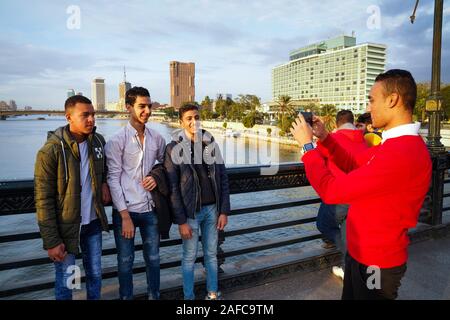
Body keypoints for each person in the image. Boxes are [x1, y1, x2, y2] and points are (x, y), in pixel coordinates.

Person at [291, 69, 432, 300]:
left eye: (372, 100)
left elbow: (332, 190)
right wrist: (325, 138)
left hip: (377, 265)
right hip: (360, 255)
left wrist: (308, 148)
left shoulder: (402, 153)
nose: (368, 108)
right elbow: (353, 163)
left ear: (393, 99)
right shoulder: (395, 146)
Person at [34, 95, 110, 300]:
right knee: (68, 280)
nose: (91, 119)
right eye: (85, 115)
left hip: (92, 223)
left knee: (95, 274)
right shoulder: (50, 151)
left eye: (93, 114)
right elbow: (43, 200)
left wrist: (104, 183)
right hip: (66, 228)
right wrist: (51, 240)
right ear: (69, 117)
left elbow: (106, 168)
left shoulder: (98, 142)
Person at [105, 87, 166, 300]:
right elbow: (113, 178)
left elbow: (165, 164)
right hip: (126, 211)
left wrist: (157, 177)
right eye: (142, 106)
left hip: (150, 209)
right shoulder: (116, 141)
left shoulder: (157, 138)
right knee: (125, 261)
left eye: (149, 106)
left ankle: (154, 296)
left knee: (154, 258)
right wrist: (124, 216)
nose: (147, 110)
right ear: (128, 107)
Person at [164, 103, 230, 300]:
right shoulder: (173, 148)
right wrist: (181, 221)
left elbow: (223, 177)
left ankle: (212, 293)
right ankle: (189, 298)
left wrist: (224, 211)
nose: (194, 122)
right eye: (189, 118)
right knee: (189, 257)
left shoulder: (211, 144)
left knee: (211, 255)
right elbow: (173, 188)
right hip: (190, 212)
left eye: (197, 117)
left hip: (212, 210)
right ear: (181, 122)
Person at [315, 110, 368, 280]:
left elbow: (315, 157)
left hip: (339, 195)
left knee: (323, 224)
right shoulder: (363, 139)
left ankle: (350, 256)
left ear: (337, 124)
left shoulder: (334, 138)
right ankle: (350, 265)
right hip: (359, 195)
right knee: (348, 229)